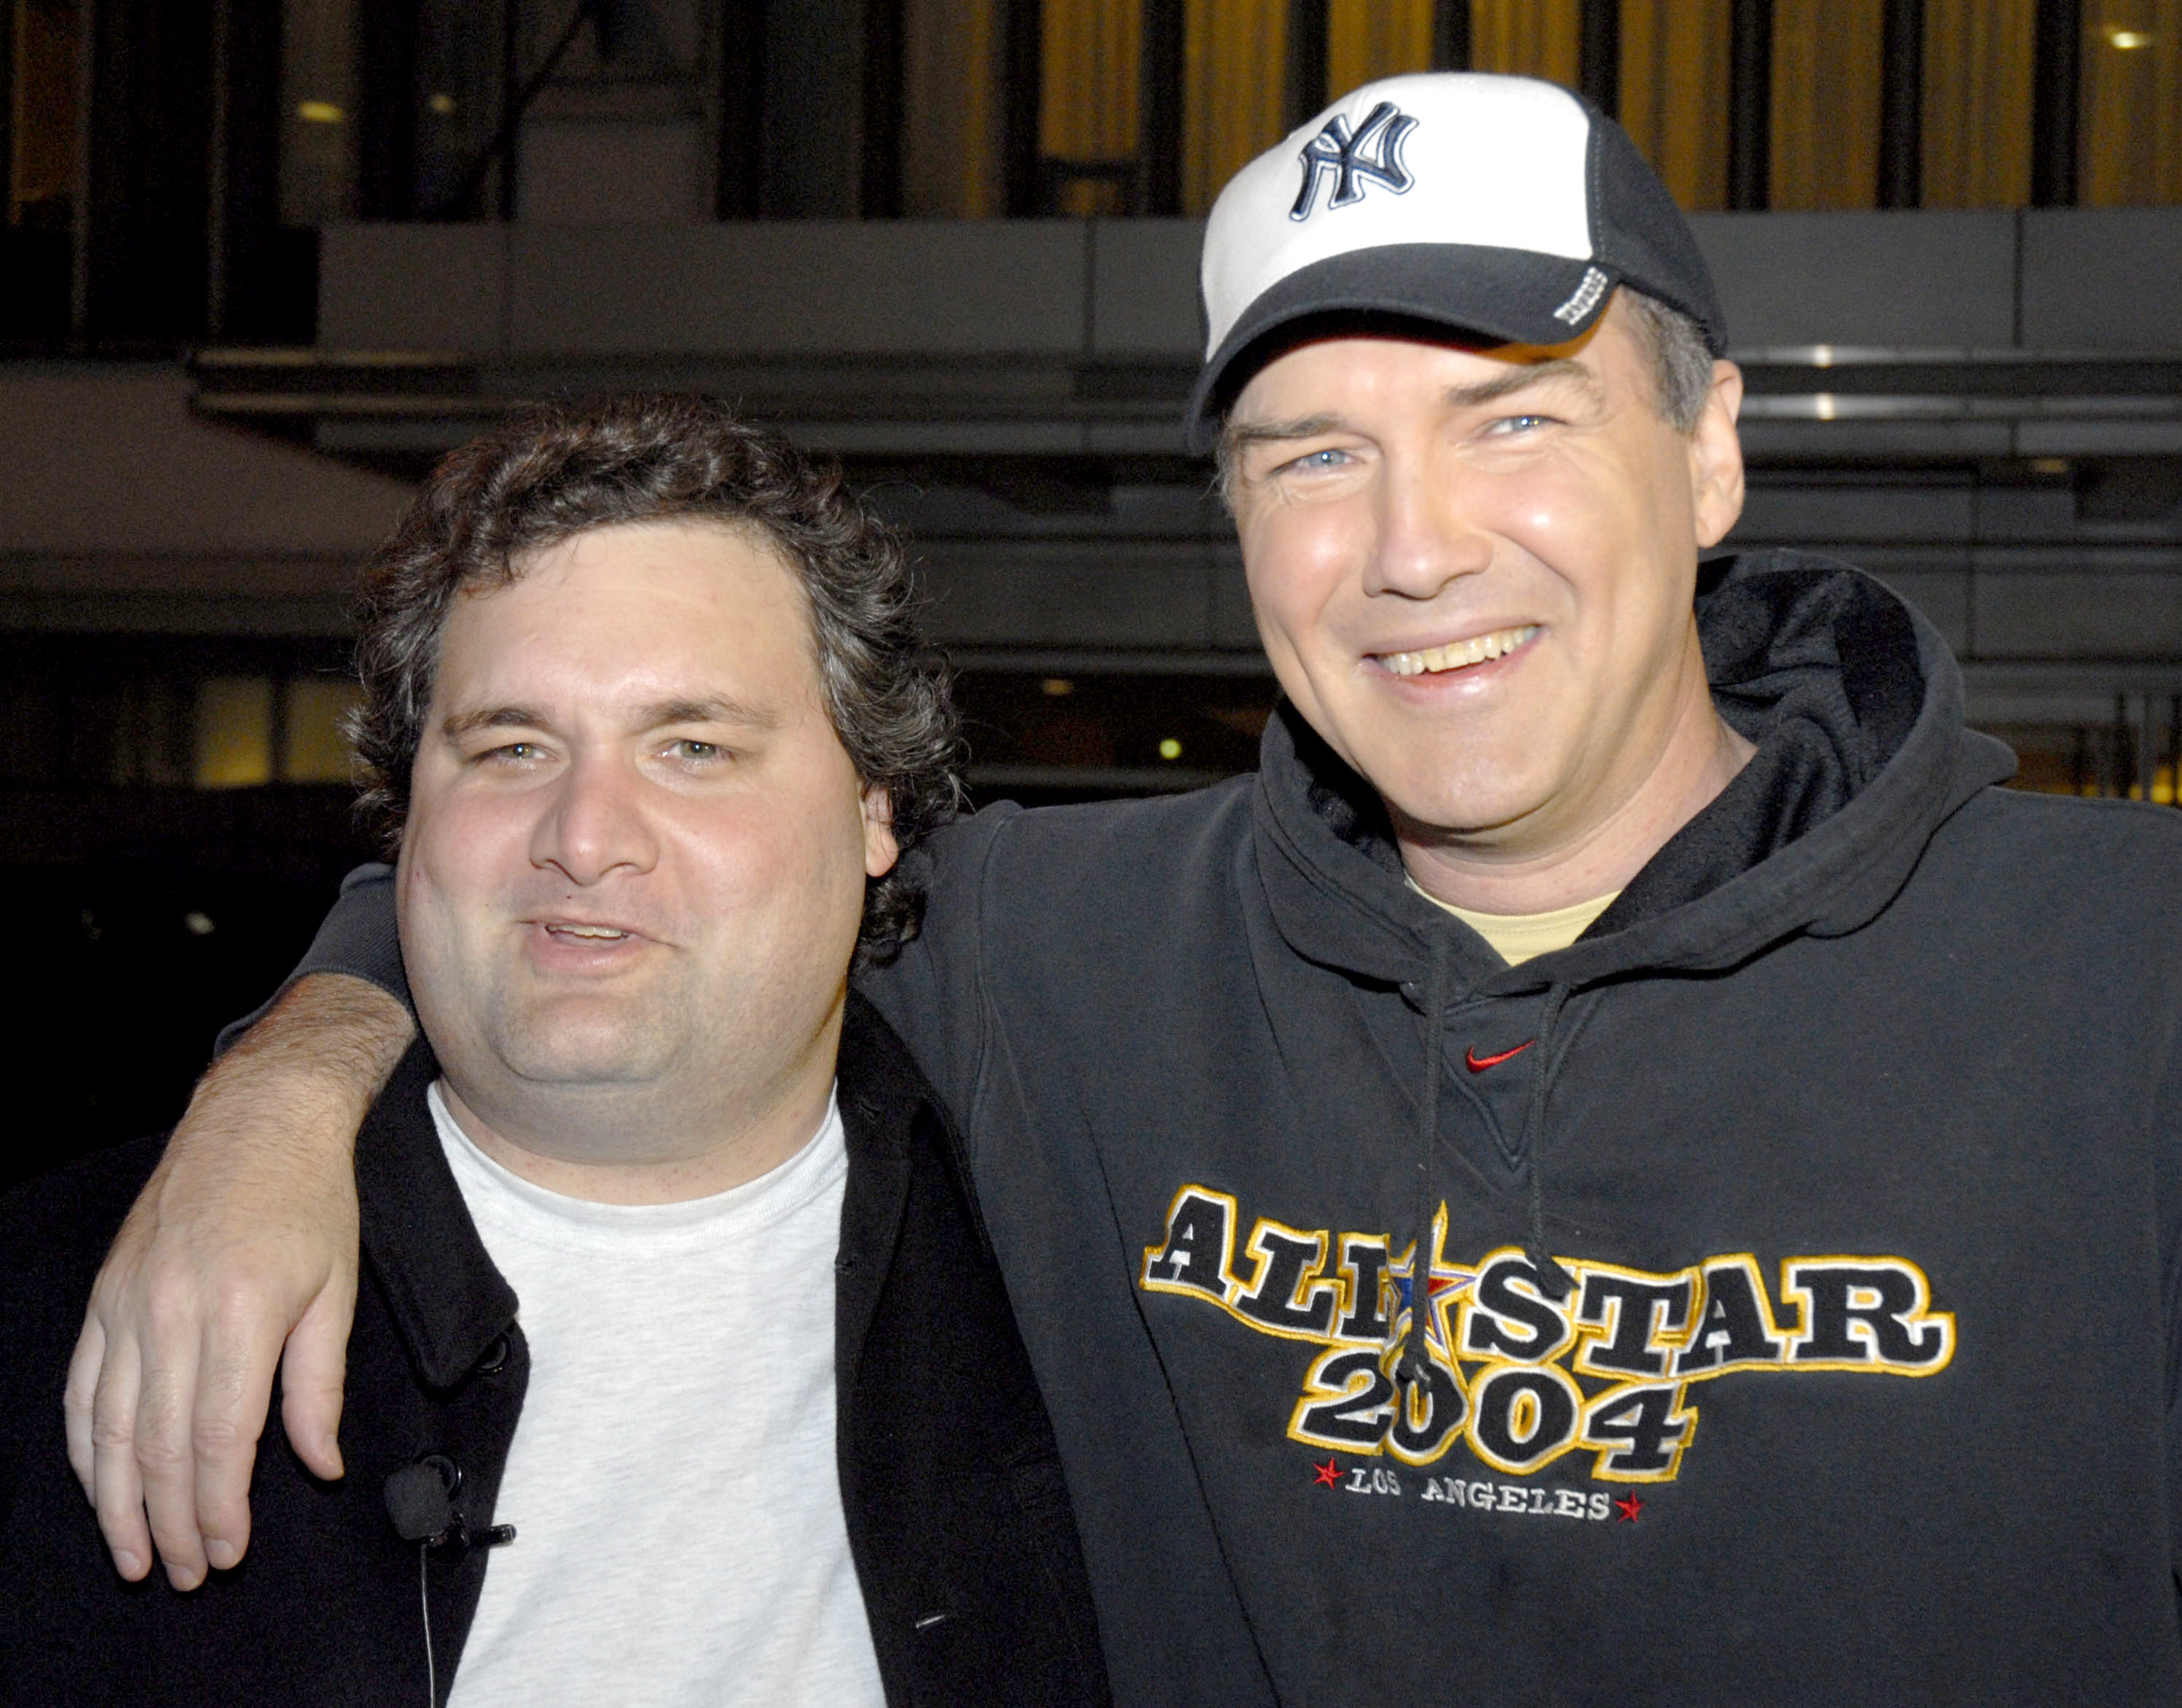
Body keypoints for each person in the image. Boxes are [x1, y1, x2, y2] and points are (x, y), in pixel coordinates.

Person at [59, 71, 2182, 1702]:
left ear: (1710, 446)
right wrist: (287, 1081)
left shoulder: (2124, 979)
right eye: (1313, 456)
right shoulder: (1056, 951)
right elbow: (594, 875)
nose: (1415, 544)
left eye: (1511, 420)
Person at [0, 397, 1108, 1705]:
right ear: (407, 811)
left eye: (693, 748)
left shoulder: (1095, 1300)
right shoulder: (64, 1306)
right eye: (513, 747)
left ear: (876, 808)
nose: (584, 835)